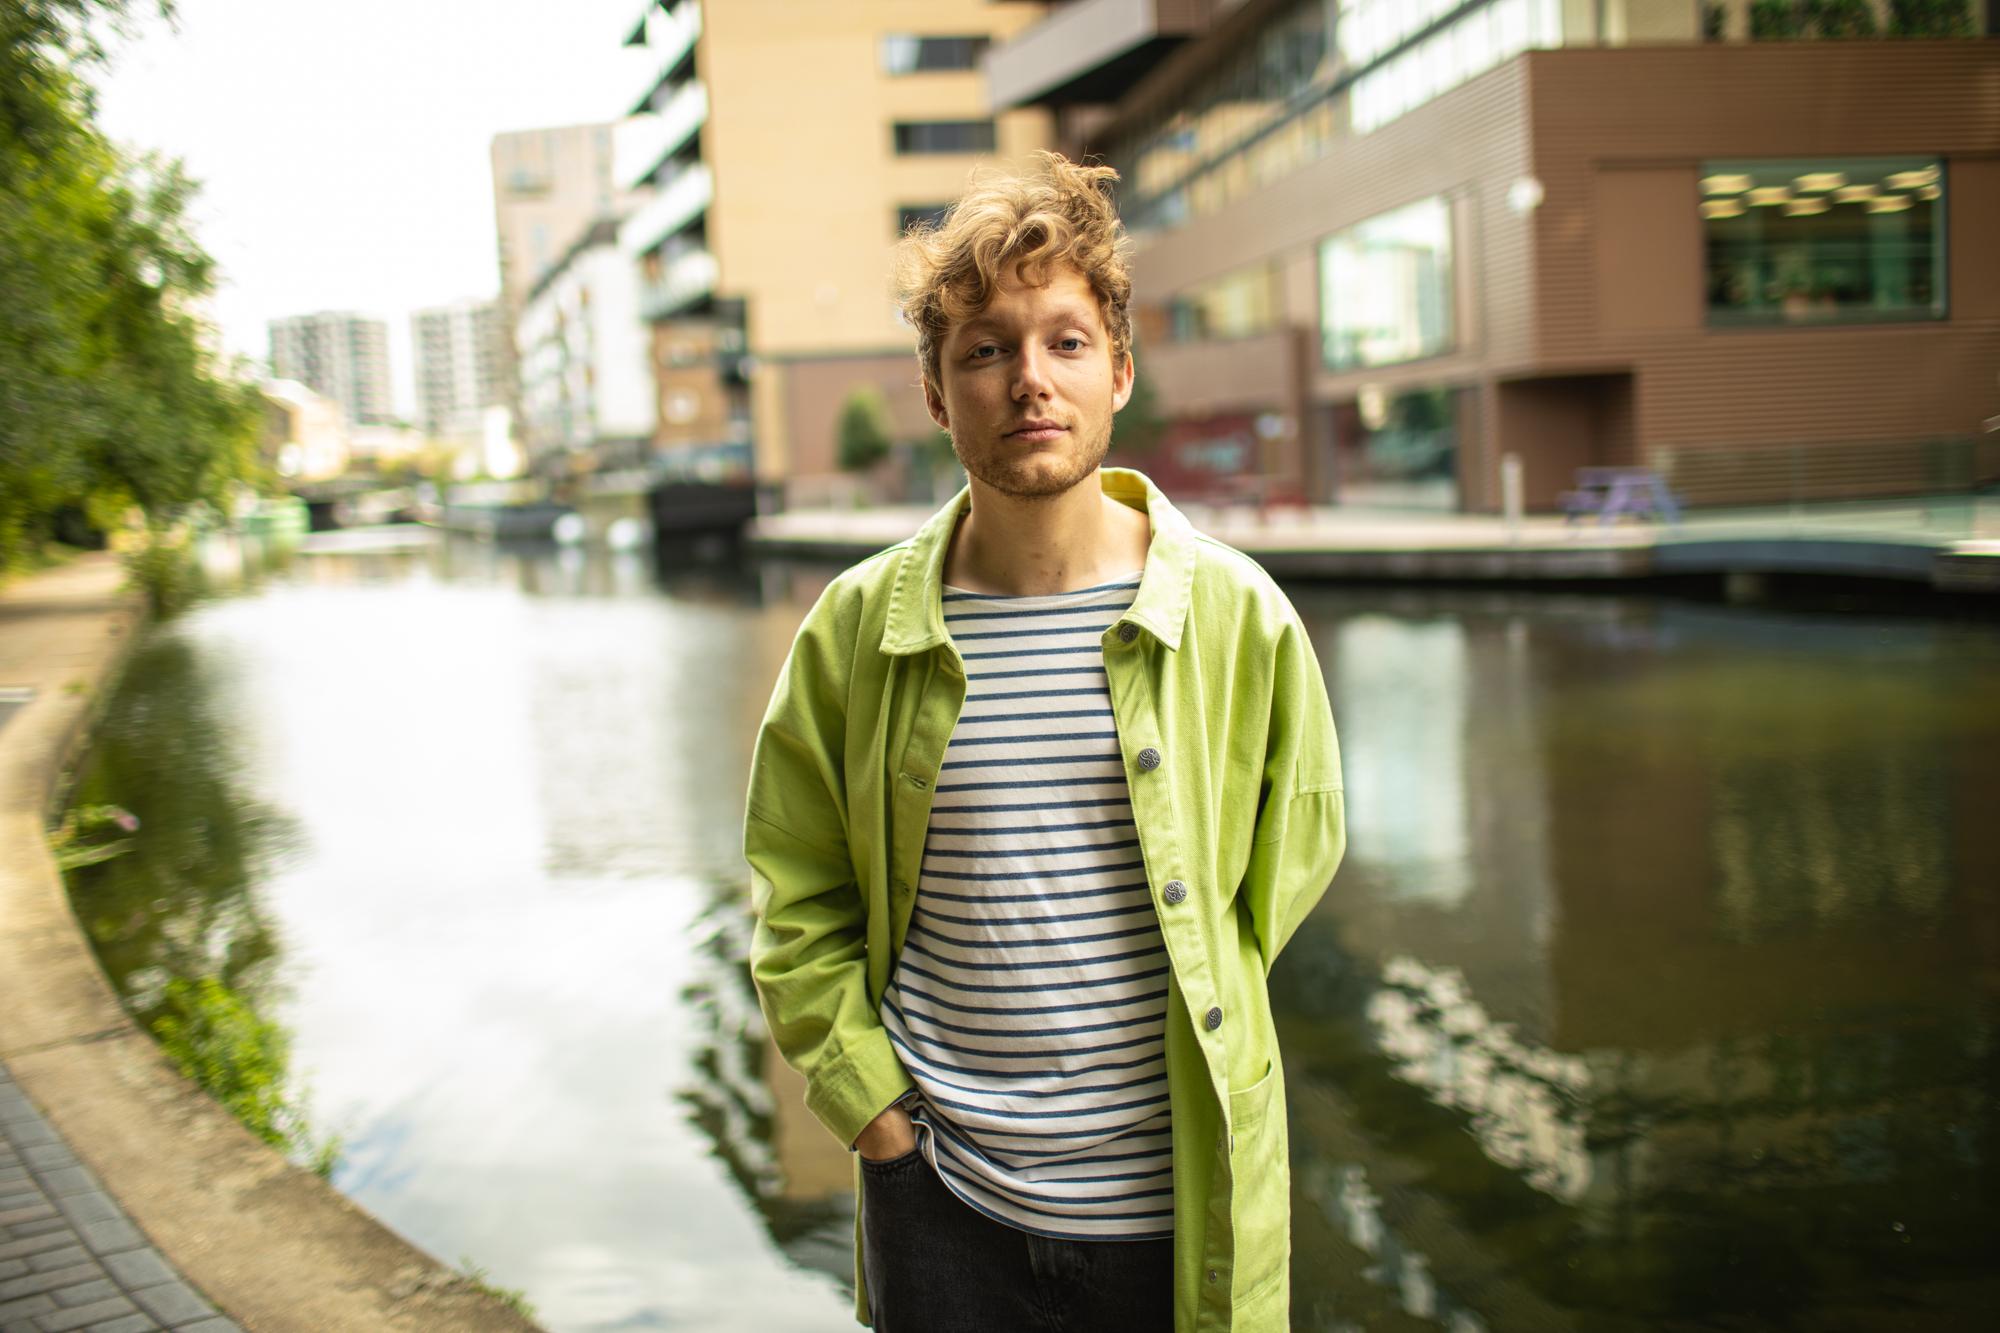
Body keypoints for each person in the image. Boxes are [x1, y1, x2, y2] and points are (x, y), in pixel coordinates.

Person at [742, 151, 1346, 1332]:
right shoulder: (857, 630)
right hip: (942, 1202)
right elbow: (793, 889)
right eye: (984, 350)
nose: (1029, 379)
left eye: (1064, 342)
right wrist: (876, 1115)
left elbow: (1289, 859)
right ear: (935, 393)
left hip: (1172, 1207)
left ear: (1117, 370)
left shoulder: (1235, 615)